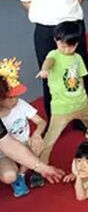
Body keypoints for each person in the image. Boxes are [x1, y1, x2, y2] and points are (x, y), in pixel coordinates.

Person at [36, 22, 88, 164]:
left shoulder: (77, 58)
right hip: (61, 108)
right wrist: (44, 70)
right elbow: (49, 61)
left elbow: (80, 78)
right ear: (56, 40)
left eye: (71, 46)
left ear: (77, 44)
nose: (67, 50)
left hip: (81, 103)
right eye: (63, 46)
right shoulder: (54, 55)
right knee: (50, 139)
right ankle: (41, 165)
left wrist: (85, 96)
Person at [0, 65, 46, 196]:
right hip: (4, 154)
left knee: (38, 145)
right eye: (10, 97)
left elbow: (41, 122)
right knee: (9, 176)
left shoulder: (20, 104)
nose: (15, 100)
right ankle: (21, 169)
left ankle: (22, 174)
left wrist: (36, 134)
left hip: (26, 146)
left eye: (17, 95)